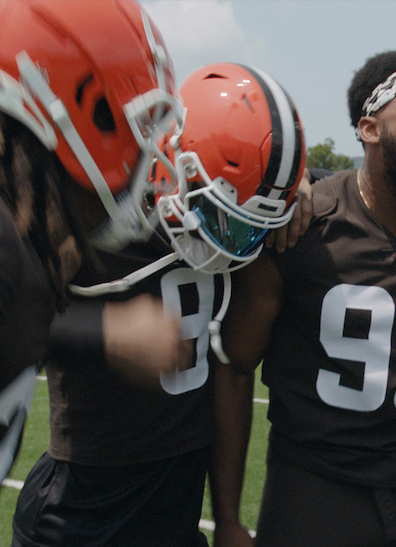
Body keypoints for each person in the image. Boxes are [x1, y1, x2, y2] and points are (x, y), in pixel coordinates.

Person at [209, 48, 396, 547]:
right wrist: (226, 517)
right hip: (311, 486)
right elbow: (235, 367)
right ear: (370, 128)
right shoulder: (302, 228)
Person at [11, 62, 308, 547]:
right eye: (219, 215)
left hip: (178, 494)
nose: (229, 244)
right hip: (84, 501)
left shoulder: (238, 205)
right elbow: (11, 314)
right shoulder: (93, 211)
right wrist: (105, 332)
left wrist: (302, 191)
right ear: (175, 159)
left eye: (247, 227)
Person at [0, 0, 182, 485]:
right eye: (137, 127)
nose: (149, 159)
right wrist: (104, 331)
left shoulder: (25, 254)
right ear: (75, 112)